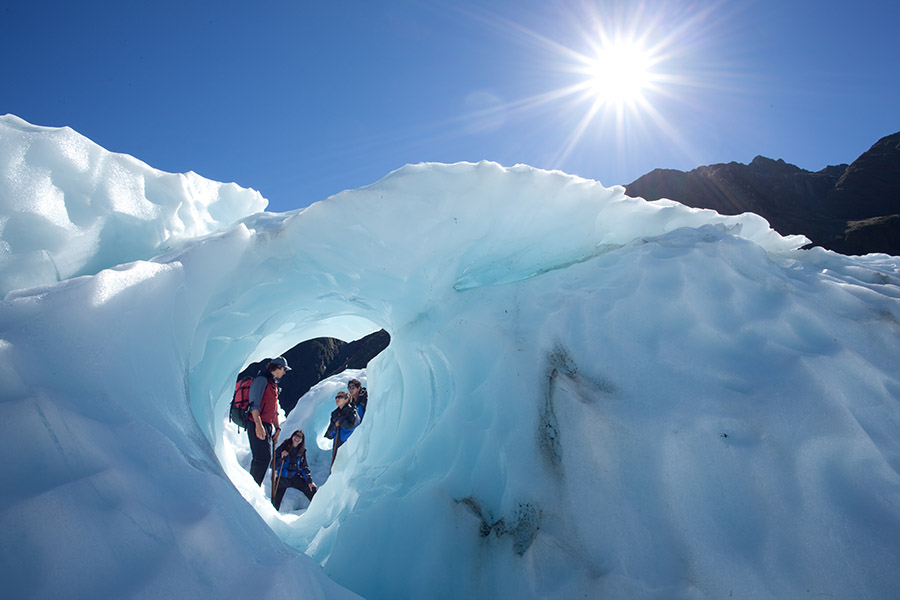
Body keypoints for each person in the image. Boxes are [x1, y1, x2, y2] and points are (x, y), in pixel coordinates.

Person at [246, 356, 289, 485]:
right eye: (284, 369)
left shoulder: (272, 384)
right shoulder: (261, 380)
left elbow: (274, 409)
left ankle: (251, 485)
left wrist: (277, 428)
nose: (284, 372)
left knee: (261, 458)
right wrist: (258, 425)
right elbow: (254, 404)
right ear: (277, 367)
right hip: (256, 423)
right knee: (262, 458)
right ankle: (251, 488)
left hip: (266, 425)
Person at [272, 430, 317, 510]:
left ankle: (318, 510)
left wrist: (309, 481)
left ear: (302, 440)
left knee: (311, 490)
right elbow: (273, 465)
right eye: (296, 435)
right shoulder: (283, 447)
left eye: (300, 437)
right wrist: (281, 458)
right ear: (292, 436)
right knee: (275, 503)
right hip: (282, 478)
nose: (297, 438)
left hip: (294, 477)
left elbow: (304, 466)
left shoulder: (301, 451)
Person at [324, 390, 360, 469]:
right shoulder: (335, 414)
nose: (337, 399)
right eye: (336, 397)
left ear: (346, 399)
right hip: (338, 443)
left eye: (340, 397)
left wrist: (340, 421)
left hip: (349, 444)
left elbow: (353, 425)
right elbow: (329, 434)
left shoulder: (352, 411)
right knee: (336, 467)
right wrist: (335, 426)